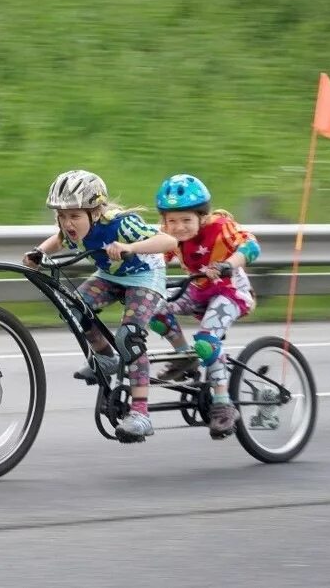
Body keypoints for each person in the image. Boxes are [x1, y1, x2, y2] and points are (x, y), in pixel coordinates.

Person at [23, 170, 177, 443]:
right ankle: (106, 358)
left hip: (144, 274)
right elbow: (58, 239)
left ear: (95, 213)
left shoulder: (121, 225)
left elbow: (168, 241)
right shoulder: (71, 227)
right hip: (111, 275)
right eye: (62, 215)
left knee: (129, 337)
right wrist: (39, 253)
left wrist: (131, 247)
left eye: (74, 216)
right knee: (72, 308)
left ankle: (141, 414)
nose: (67, 222)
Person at [150, 173, 260, 439]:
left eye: (186, 220)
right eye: (171, 220)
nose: (178, 227)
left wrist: (228, 265)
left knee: (207, 342)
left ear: (202, 216)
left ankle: (223, 405)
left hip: (230, 291)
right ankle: (185, 357)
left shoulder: (220, 226)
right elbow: (156, 260)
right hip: (198, 289)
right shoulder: (168, 234)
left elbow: (251, 246)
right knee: (154, 311)